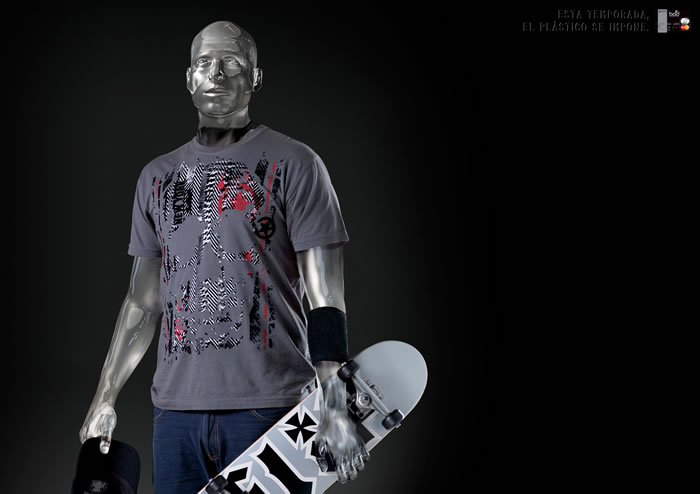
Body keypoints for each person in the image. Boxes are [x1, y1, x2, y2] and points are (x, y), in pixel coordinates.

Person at [78, 20, 369, 493]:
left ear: (255, 77)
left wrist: (333, 399)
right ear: (188, 77)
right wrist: (104, 396)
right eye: (203, 63)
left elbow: (325, 295)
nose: (215, 74)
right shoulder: (156, 177)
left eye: (230, 62)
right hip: (175, 412)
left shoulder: (296, 164)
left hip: (268, 409)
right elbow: (143, 303)